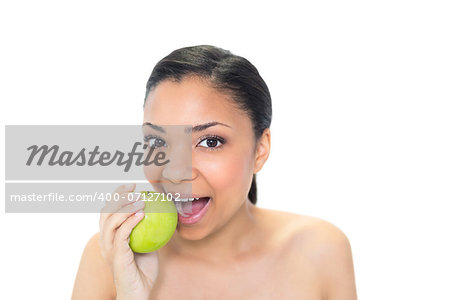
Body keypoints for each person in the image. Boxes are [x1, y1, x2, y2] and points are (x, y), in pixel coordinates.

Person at [72, 45, 357, 299]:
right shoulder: (110, 258)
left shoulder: (319, 250)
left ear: (260, 149)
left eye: (210, 141)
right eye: (158, 142)